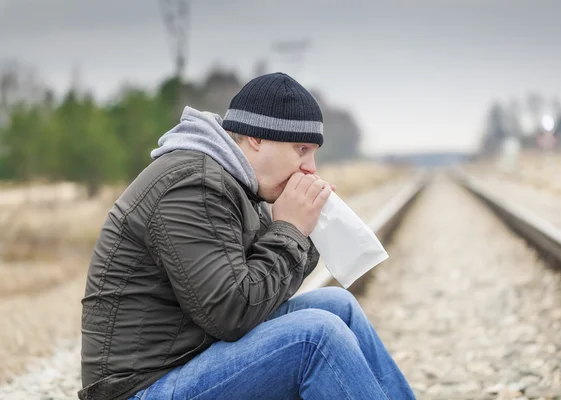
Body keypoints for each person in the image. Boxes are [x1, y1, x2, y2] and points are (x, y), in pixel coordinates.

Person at [78, 72, 415, 400]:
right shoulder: (193, 185)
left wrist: (304, 228)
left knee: (338, 306)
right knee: (315, 338)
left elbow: (262, 289)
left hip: (185, 362)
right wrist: (292, 230)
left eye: (313, 152)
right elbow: (233, 313)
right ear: (257, 138)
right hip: (141, 389)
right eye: (301, 149)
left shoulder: (232, 182)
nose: (311, 167)